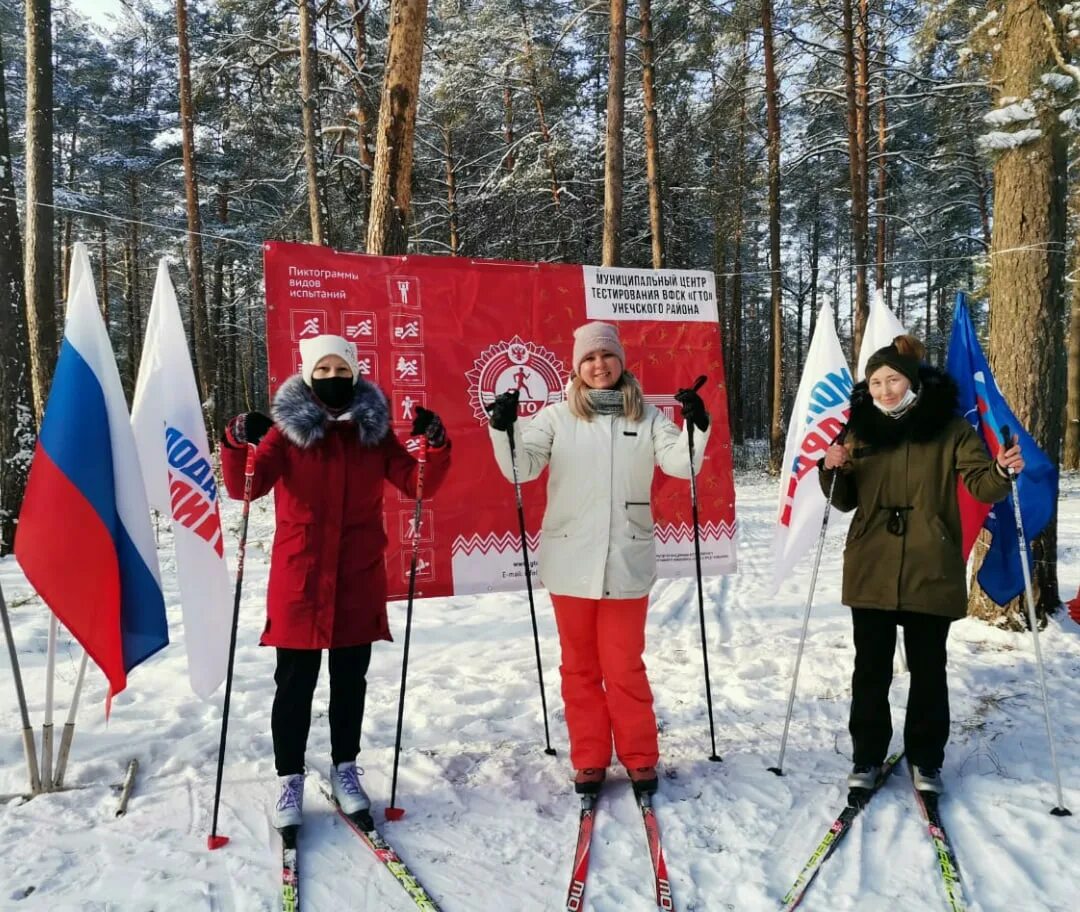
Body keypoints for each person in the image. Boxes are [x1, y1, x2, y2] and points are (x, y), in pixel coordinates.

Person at [220, 334, 451, 828]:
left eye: (339, 369)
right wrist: (238, 437)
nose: (331, 378)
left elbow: (418, 482)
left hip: (356, 574)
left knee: (351, 680)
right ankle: (289, 778)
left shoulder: (372, 431)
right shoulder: (287, 432)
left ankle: (345, 768)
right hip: (300, 575)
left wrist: (436, 442)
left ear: (354, 371)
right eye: (321, 370)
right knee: (294, 683)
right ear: (308, 376)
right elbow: (249, 485)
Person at [486, 321, 710, 797]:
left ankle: (639, 756)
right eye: (589, 358)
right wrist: (503, 428)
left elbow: (681, 463)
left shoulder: (647, 417)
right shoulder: (555, 417)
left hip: (626, 561)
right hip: (570, 562)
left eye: (607, 357)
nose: (599, 365)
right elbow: (520, 469)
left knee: (625, 665)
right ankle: (588, 757)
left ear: (621, 362)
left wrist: (696, 424)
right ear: (576, 366)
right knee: (579, 667)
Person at [819, 334, 1023, 794]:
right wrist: (831, 466)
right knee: (869, 669)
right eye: (876, 382)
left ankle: (926, 759)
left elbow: (982, 484)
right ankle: (867, 756)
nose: (885, 389)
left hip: (930, 565)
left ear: (911, 381)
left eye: (893, 379)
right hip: (871, 566)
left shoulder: (949, 429)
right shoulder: (857, 431)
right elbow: (844, 500)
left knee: (929, 669)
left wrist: (1003, 471)